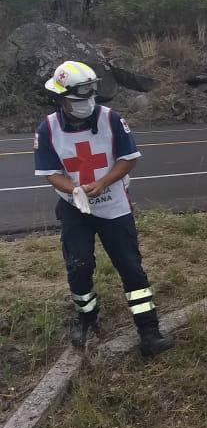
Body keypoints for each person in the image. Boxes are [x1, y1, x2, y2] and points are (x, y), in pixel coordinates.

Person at [33, 60, 174, 356]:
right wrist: (72, 190)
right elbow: (50, 171)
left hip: (114, 206)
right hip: (75, 209)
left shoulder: (112, 120)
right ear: (60, 99)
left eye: (88, 97)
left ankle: (149, 331)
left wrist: (104, 183)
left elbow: (128, 158)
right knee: (79, 267)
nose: (85, 104)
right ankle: (86, 318)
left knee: (131, 269)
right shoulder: (48, 128)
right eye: (76, 99)